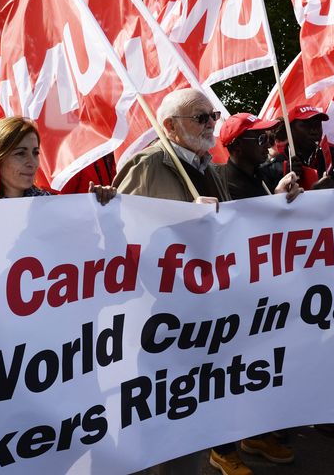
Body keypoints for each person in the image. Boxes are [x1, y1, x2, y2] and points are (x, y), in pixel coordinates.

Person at [113, 88, 242, 475]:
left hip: (201, 315)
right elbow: (121, 243)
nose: (210, 124)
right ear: (169, 126)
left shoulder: (208, 168)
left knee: (192, 419)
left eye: (212, 116)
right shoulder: (147, 165)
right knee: (154, 421)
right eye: (200, 117)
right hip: (157, 320)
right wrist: (185, 220)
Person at [211, 112, 302, 468]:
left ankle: (251, 433)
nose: (268, 142)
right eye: (258, 137)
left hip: (262, 294)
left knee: (255, 370)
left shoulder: (261, 177)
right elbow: (239, 230)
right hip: (232, 296)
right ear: (235, 146)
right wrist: (274, 205)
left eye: (268, 135)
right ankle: (222, 449)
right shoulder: (224, 181)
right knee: (227, 374)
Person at [0, 116, 115, 209]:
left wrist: (100, 208)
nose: (32, 162)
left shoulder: (54, 205)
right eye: (20, 153)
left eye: (35, 152)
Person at [216, 112, 301, 203]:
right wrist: (278, 200)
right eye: (262, 139)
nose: (268, 145)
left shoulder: (262, 176)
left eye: (267, 138)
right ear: (237, 145)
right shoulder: (220, 185)